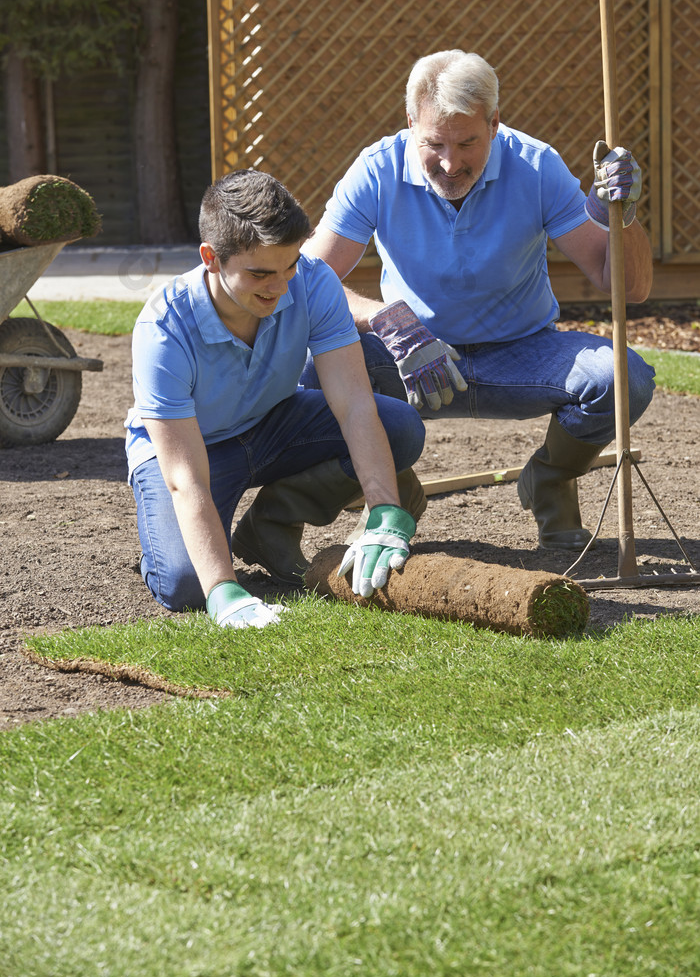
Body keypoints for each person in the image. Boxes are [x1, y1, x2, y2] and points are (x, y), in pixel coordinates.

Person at [300, 49, 656, 551]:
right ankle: (395, 495)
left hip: (521, 353)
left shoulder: (536, 165)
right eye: (434, 143)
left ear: (494, 122)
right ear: (409, 123)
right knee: (312, 376)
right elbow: (309, 279)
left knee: (623, 378)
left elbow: (626, 286)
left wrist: (623, 215)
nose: (450, 162)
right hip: (409, 357)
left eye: (467, 142)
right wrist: (386, 320)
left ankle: (550, 481)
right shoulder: (377, 170)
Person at [124, 169, 427, 630]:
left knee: (399, 427)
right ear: (211, 258)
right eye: (261, 273)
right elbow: (185, 477)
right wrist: (224, 591)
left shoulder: (312, 280)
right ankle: (165, 546)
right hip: (192, 450)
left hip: (274, 423)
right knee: (187, 586)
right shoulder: (162, 328)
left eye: (289, 266)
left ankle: (268, 524)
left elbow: (353, 403)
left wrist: (385, 508)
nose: (281, 286)